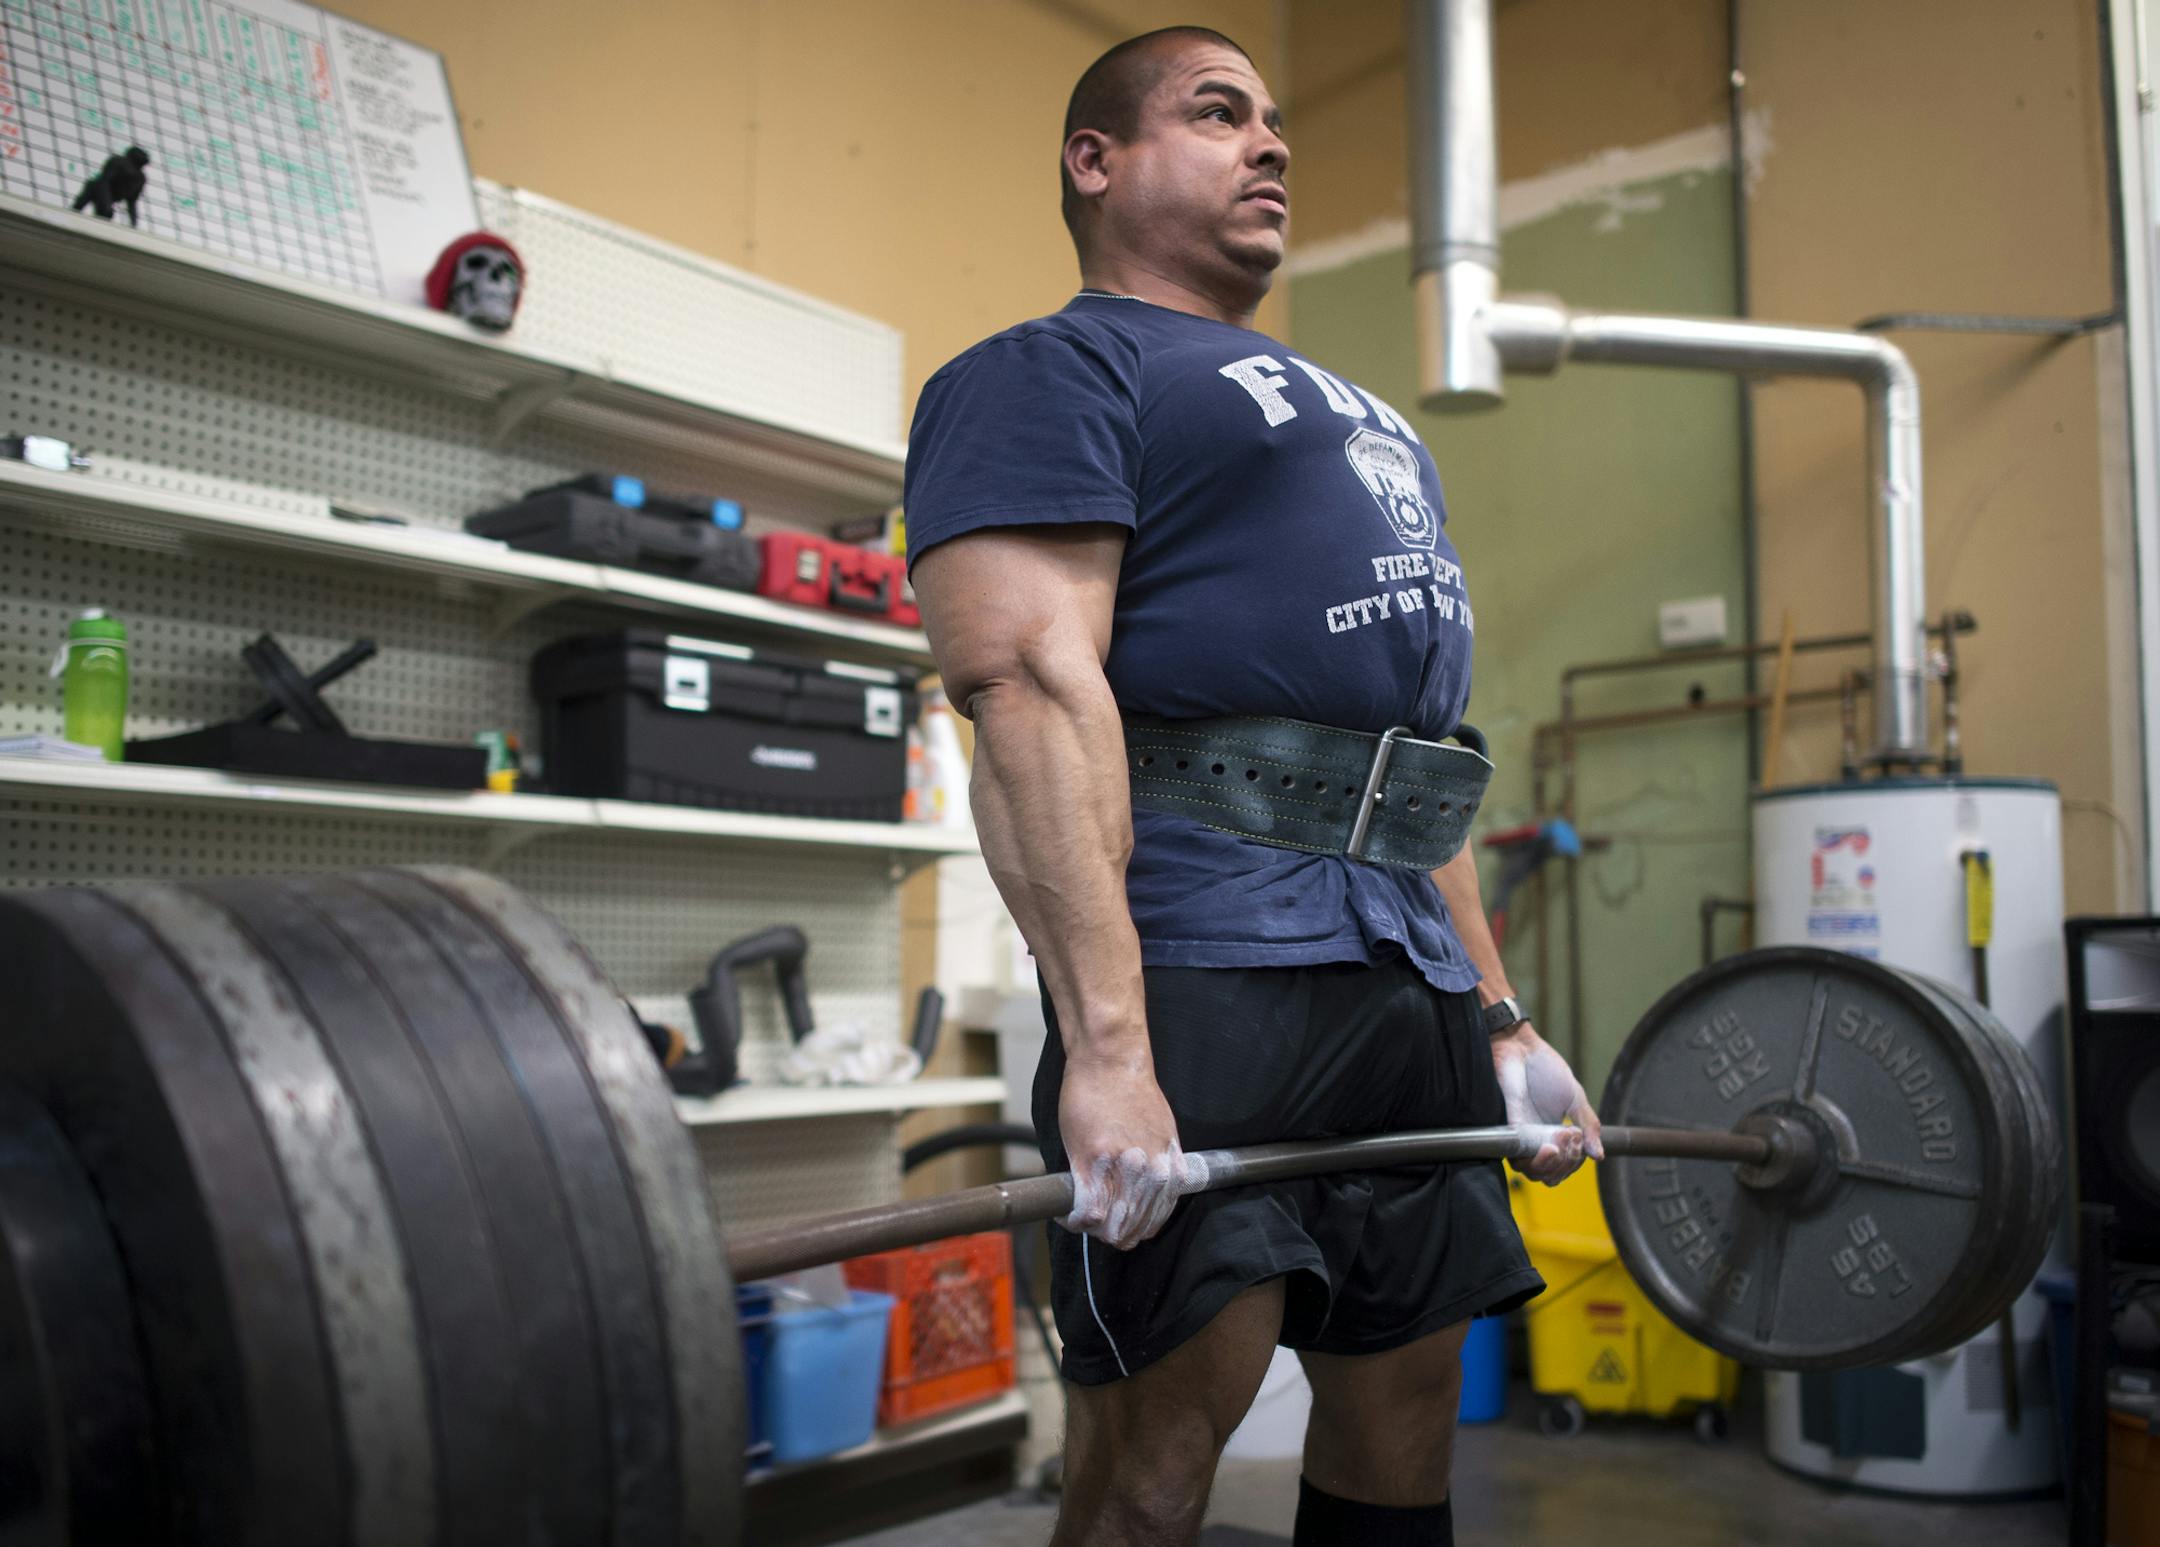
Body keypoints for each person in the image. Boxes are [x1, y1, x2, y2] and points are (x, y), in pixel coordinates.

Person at [905, 26, 1603, 1547]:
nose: (1271, 145)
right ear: (1098, 163)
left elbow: (1410, 770)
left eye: (1276, 120)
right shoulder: (1052, 368)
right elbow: (1025, 686)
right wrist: (1107, 1049)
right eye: (1219, 115)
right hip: (1209, 971)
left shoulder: (1365, 409)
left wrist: (1502, 1020)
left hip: (1404, 984)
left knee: (1407, 1430)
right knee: (1157, 1466)